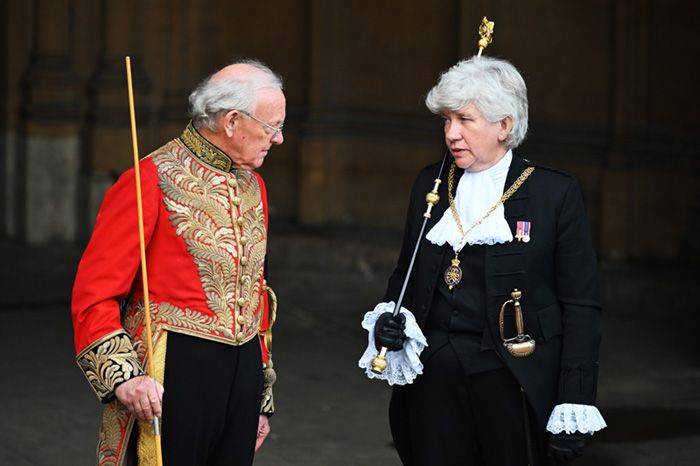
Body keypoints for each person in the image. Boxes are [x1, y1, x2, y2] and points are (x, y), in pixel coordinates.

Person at [373, 56, 606, 465]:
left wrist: (575, 402)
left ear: (505, 125)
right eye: (446, 120)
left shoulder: (555, 194)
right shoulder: (430, 184)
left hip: (511, 383)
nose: (451, 133)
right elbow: (406, 273)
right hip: (434, 383)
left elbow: (580, 308)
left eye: (465, 120)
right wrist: (390, 321)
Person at [71, 59, 284, 466]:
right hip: (173, 374)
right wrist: (125, 378)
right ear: (233, 121)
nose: (278, 140)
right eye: (272, 127)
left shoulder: (254, 183)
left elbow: (258, 293)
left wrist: (260, 394)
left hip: (241, 376)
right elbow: (94, 295)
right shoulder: (150, 178)